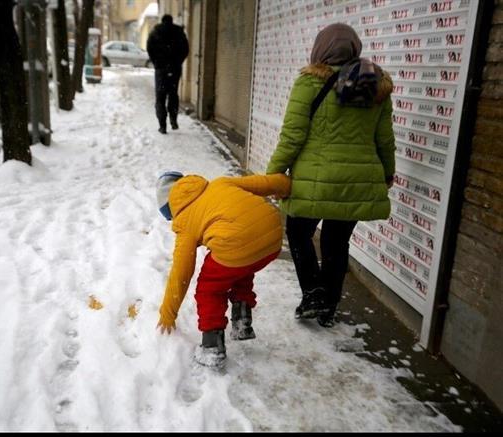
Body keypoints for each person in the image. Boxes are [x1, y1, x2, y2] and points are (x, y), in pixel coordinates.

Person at [266, 23, 395, 328]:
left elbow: (292, 137)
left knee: (299, 233)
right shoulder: (374, 85)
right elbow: (384, 139)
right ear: (354, 49)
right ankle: (329, 306)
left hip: (314, 179)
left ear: (320, 49)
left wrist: (273, 174)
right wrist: (388, 172)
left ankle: (312, 294)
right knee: (337, 244)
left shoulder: (309, 83)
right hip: (355, 182)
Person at [155, 171, 291, 368]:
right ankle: (242, 318)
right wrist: (285, 185)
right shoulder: (219, 184)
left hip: (236, 244)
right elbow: (263, 183)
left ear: (170, 209)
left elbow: (181, 272)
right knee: (241, 266)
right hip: (272, 236)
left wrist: (168, 314)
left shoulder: (184, 222)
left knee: (209, 288)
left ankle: (212, 347)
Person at [146, 15, 189, 134]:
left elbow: (149, 48)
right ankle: (173, 120)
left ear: (162, 21)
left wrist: (156, 63)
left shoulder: (155, 32)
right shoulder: (179, 32)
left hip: (161, 70)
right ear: (171, 21)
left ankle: (162, 126)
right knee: (173, 94)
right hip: (175, 69)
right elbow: (185, 49)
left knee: (160, 97)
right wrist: (178, 62)